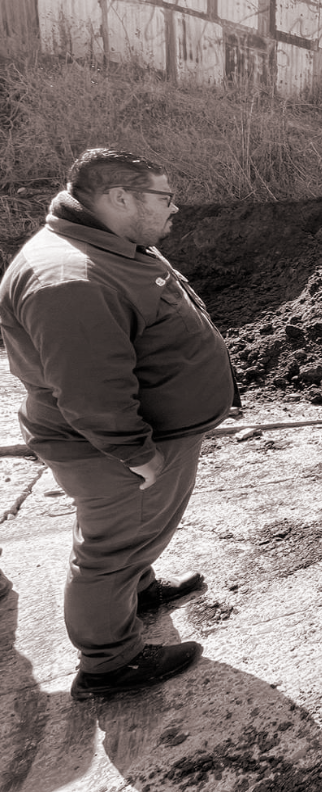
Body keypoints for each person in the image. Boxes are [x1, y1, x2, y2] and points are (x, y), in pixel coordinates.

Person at [0, 148, 237, 700]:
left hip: (146, 435)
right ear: (119, 198)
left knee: (135, 535)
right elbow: (91, 387)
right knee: (111, 550)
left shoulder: (110, 247)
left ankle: (140, 587)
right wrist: (135, 453)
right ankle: (110, 662)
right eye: (165, 198)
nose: (175, 209)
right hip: (114, 451)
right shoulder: (70, 277)